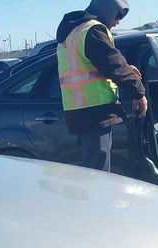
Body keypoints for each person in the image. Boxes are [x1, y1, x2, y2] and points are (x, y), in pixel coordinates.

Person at [56, 0, 148, 171]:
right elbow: (114, 65)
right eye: (117, 15)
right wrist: (138, 93)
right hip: (95, 113)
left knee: (92, 173)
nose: (118, 22)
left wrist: (127, 68)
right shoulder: (93, 31)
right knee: (97, 176)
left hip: (79, 111)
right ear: (106, 9)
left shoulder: (73, 32)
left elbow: (94, 65)